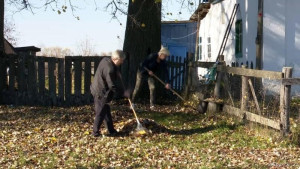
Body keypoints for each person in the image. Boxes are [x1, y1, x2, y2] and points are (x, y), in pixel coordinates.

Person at [90, 50, 129, 137]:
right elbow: (112, 85)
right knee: (100, 112)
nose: (122, 62)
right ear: (116, 59)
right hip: (100, 92)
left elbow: (112, 69)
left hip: (97, 88)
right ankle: (95, 133)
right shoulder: (109, 69)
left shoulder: (105, 60)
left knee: (106, 111)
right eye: (121, 60)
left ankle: (111, 130)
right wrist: (123, 93)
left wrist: (117, 70)